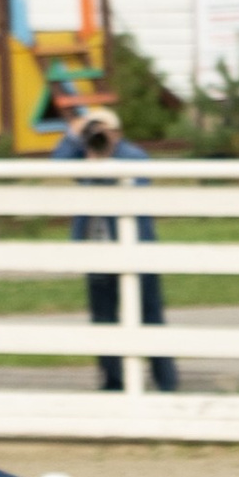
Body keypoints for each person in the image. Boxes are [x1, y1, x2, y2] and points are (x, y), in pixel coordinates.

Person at [60, 97, 177, 394]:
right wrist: (75, 137)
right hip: (97, 249)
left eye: (103, 130)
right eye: (93, 131)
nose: (98, 136)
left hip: (136, 250)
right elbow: (58, 164)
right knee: (103, 318)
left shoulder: (131, 155)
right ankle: (113, 380)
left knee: (149, 315)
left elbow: (141, 177)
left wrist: (110, 154)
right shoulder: (83, 157)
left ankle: (166, 380)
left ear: (117, 132)